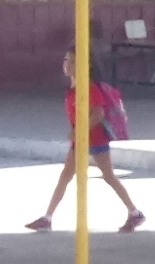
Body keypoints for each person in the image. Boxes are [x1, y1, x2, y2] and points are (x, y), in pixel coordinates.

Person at [27, 71, 146, 234]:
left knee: (107, 176)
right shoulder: (74, 88)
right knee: (67, 176)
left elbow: (98, 113)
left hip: (95, 139)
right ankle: (47, 218)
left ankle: (135, 213)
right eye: (66, 60)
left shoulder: (89, 87)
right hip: (81, 139)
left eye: (71, 61)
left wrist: (80, 130)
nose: (66, 64)